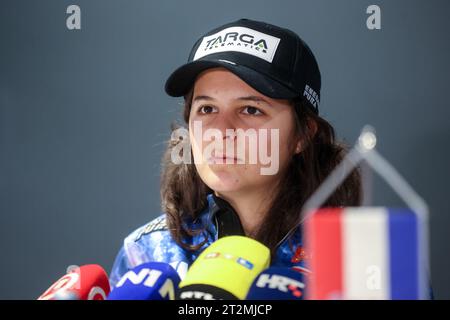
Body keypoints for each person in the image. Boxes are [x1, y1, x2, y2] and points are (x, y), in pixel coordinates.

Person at [109, 18, 361, 287]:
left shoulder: (354, 255)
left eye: (251, 110)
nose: (221, 130)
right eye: (207, 109)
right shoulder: (146, 254)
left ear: (303, 134)